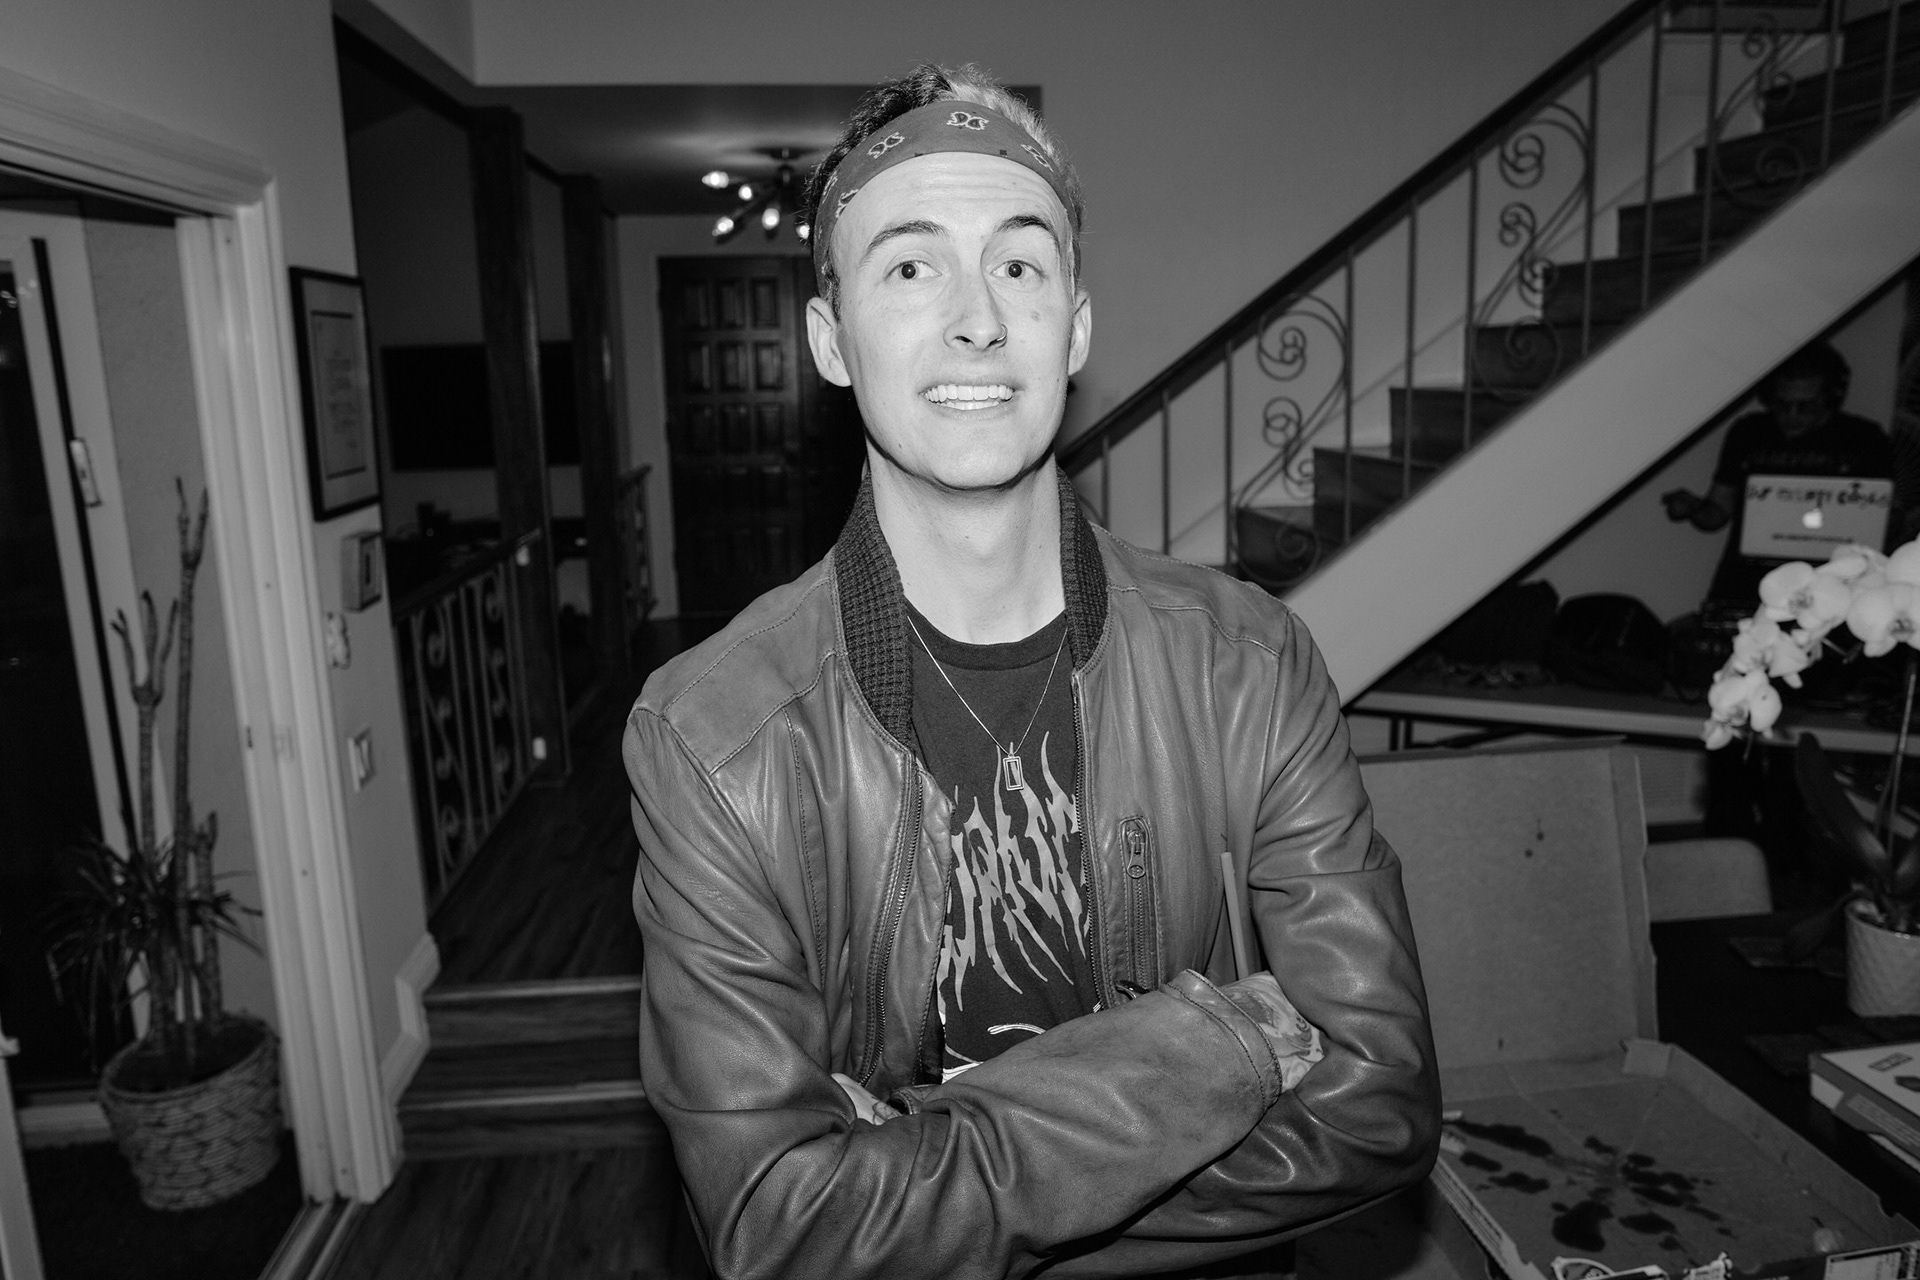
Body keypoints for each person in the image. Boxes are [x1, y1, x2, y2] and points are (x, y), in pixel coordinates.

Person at [624, 63, 1439, 1280]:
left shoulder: (1248, 663)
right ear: (831, 341)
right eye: (911, 267)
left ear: (1077, 327)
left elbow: (1382, 1105)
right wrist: (1215, 1052)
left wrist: (903, 1170)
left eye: (1019, 264)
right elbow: (780, 1228)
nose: (979, 318)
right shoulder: (713, 734)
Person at [1663, 341, 1892, 603]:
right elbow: (1717, 512)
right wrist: (1692, 508)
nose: (1792, 415)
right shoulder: (1748, 432)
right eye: (1782, 404)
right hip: (1748, 581)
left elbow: (1884, 520)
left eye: (1806, 406)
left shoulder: (1864, 439)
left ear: (1832, 397)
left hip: (1830, 585)